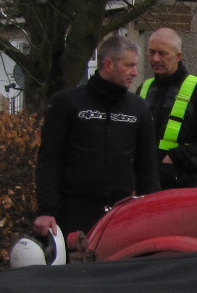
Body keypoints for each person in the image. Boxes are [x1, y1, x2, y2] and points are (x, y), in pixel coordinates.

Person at [34, 34, 159, 236]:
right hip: (73, 212)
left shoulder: (138, 108)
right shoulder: (67, 104)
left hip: (121, 211)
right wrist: (46, 210)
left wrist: (152, 212)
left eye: (135, 65)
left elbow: (147, 168)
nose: (135, 73)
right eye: (129, 66)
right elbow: (49, 159)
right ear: (108, 65)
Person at [140, 27, 197, 190]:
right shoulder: (144, 89)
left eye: (162, 53)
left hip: (181, 186)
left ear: (178, 56)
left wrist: (175, 158)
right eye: (151, 52)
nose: (155, 58)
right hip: (144, 185)